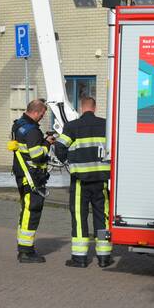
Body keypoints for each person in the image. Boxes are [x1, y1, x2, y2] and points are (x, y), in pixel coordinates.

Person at [54, 96, 113, 268]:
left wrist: (68, 160)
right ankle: (104, 257)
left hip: (80, 180)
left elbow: (59, 147)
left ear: (81, 108)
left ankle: (79, 258)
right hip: (101, 180)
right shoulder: (106, 125)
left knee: (80, 218)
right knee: (103, 217)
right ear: (95, 108)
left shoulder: (72, 126)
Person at [12, 99, 53, 263]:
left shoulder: (18, 125)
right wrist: (47, 143)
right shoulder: (33, 131)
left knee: (25, 211)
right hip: (32, 178)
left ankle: (23, 246)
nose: (42, 117)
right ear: (36, 112)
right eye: (42, 114)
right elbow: (37, 156)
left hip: (22, 175)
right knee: (32, 211)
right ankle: (26, 252)